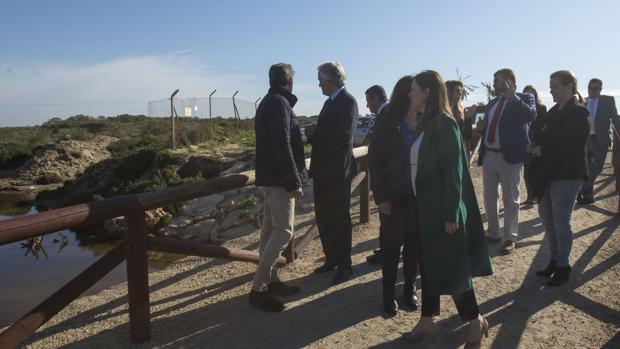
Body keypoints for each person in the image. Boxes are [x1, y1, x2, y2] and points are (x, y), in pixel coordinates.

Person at [402, 70, 492, 345]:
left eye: (414, 89)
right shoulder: (426, 123)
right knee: (430, 266)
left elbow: (454, 172)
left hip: (443, 211)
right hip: (425, 208)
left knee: (451, 269)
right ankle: (427, 321)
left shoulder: (445, 123)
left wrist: (451, 213)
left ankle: (475, 321)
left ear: (428, 92)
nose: (410, 94)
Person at [250, 63, 306, 312]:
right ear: (289, 80)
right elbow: (283, 145)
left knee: (269, 231)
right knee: (284, 231)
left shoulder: (269, 101)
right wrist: (294, 180)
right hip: (279, 179)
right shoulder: (279, 103)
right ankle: (258, 288)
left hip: (270, 178)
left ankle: (270, 281)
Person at [528, 70, 589, 286]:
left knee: (561, 220)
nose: (551, 90)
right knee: (547, 217)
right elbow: (541, 132)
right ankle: (554, 259)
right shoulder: (554, 111)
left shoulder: (579, 112)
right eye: (551, 86)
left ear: (570, 86)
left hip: (568, 174)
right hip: (549, 174)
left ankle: (563, 266)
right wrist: (537, 146)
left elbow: (574, 145)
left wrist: (542, 150)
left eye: (555, 87)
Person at [368, 76, 420, 315]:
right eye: (415, 90)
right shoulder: (387, 121)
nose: (420, 94)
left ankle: (409, 290)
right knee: (390, 250)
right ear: (405, 94)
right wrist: (380, 198)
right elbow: (375, 162)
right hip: (394, 198)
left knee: (414, 249)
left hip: (418, 198)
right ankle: (388, 296)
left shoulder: (424, 120)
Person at [477, 68, 536, 254]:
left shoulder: (525, 97)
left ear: (508, 81)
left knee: (511, 199)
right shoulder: (493, 102)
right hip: (489, 156)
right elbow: (487, 125)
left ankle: (510, 237)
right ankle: (493, 232)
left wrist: (514, 99)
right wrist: (480, 127)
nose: (494, 83)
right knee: (489, 196)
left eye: (497, 80)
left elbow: (531, 116)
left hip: (509, 157)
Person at [309, 61, 358, 285]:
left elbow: (343, 137)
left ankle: (345, 265)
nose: (319, 85)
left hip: (338, 173)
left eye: (321, 81)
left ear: (330, 80)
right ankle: (331, 258)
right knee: (323, 217)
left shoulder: (348, 102)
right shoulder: (330, 102)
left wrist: (315, 133)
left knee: (339, 219)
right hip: (323, 172)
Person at [578, 78, 620, 204]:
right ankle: (588, 197)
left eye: (594, 88)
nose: (591, 90)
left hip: (600, 139)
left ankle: (580, 189)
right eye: (589, 87)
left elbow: (615, 119)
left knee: (597, 167)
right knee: (586, 168)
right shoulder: (584, 101)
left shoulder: (608, 100)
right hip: (586, 140)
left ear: (600, 89)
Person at [364, 84, 388, 265]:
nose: (367, 105)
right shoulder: (386, 114)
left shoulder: (386, 115)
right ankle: (386, 248)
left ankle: (387, 251)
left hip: (387, 179)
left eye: (368, 101)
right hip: (387, 177)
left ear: (375, 98)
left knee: (387, 218)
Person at [522, 85, 548, 205]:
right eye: (527, 93)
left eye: (531, 93)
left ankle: (538, 195)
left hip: (537, 142)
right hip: (525, 143)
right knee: (527, 171)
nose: (529, 95)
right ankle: (530, 196)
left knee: (537, 170)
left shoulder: (542, 108)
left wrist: (538, 143)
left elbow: (543, 126)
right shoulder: (520, 107)